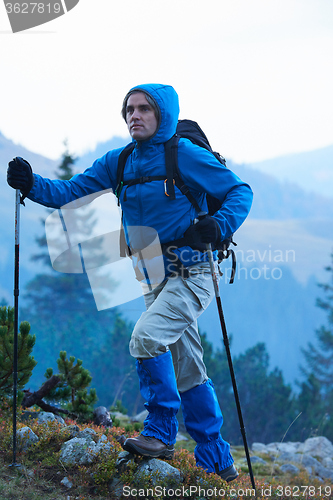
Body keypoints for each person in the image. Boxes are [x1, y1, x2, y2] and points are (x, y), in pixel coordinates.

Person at [7, 83, 253, 482]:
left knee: (145, 339)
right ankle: (216, 459)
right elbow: (70, 191)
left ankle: (160, 432)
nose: (134, 116)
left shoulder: (184, 155)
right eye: (129, 110)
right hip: (152, 274)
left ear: (163, 116)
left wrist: (218, 224)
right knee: (188, 367)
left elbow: (240, 191)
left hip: (193, 273)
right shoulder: (119, 161)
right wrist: (31, 184)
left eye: (143, 110)